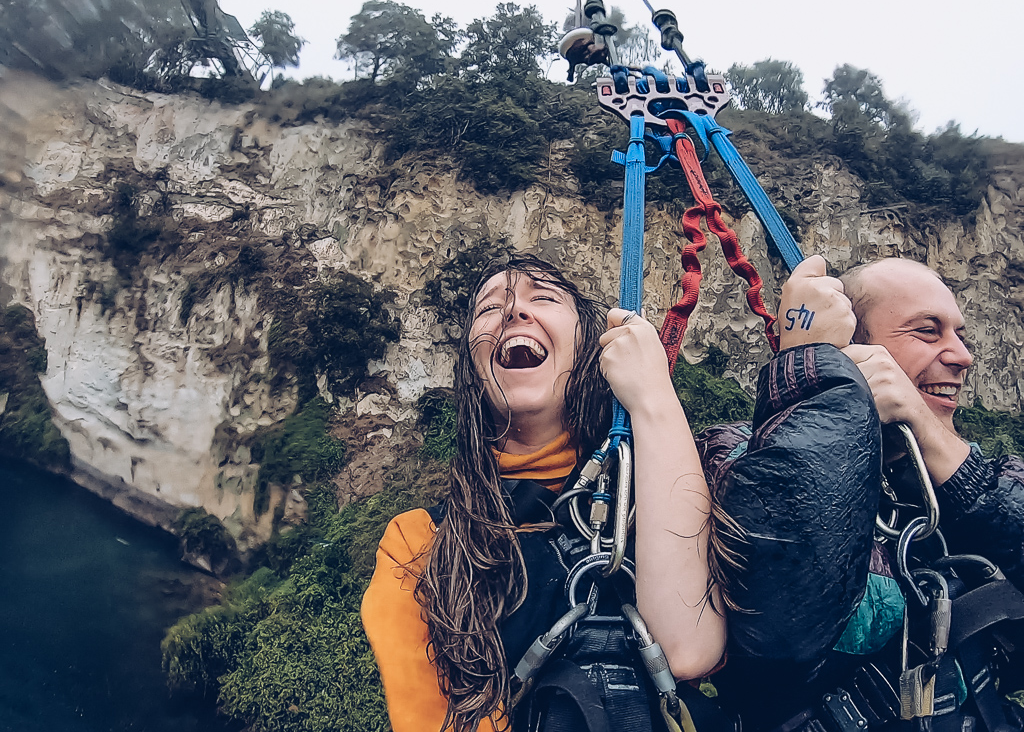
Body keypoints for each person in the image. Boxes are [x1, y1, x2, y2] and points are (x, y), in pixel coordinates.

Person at [361, 254, 727, 732]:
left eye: (544, 297)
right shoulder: (416, 541)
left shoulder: (659, 490)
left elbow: (688, 650)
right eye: (489, 308)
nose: (514, 311)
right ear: (473, 369)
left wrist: (653, 398)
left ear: (591, 347)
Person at [705, 256, 1024, 731]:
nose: (963, 356)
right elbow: (781, 634)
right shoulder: (732, 459)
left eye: (961, 335)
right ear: (852, 347)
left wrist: (927, 433)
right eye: (927, 331)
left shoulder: (994, 474)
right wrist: (818, 380)